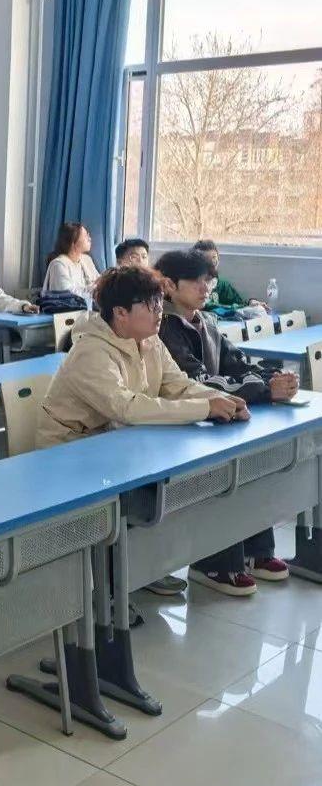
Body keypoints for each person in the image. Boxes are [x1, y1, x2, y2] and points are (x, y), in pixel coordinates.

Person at [156, 249, 295, 596]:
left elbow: (237, 362)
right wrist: (264, 390)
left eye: (208, 280)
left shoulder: (206, 321)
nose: (206, 288)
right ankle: (213, 562)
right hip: (182, 425)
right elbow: (198, 381)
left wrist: (272, 379)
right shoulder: (165, 327)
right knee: (224, 471)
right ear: (170, 285)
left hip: (218, 415)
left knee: (255, 461)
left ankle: (255, 551)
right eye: (196, 281)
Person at [37, 265, 241, 450]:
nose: (159, 309)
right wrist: (205, 408)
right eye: (150, 303)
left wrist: (220, 399)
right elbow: (127, 408)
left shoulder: (149, 340)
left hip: (116, 439)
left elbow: (178, 385)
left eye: (159, 299)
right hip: (68, 449)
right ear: (120, 312)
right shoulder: (90, 351)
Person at [191, 239, 268, 312]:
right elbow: (208, 306)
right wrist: (243, 307)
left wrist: (251, 303)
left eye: (214, 257)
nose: (213, 262)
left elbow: (239, 303)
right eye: (207, 259)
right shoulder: (193, 285)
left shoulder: (222, 284)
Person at [41, 222, 100, 301]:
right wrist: (94, 287)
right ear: (73, 243)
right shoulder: (58, 265)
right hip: (67, 307)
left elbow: (99, 283)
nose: (90, 239)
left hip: (88, 306)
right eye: (86, 236)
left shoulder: (87, 259)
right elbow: (67, 295)